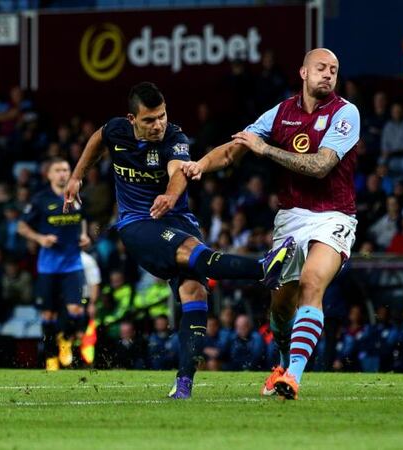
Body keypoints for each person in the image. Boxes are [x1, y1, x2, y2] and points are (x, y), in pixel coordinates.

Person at [63, 82, 295, 399]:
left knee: (194, 292)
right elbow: (97, 139)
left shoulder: (174, 137)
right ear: (132, 119)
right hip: (137, 224)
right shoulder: (116, 131)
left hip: (175, 218)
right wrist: (76, 176)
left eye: (161, 116)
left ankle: (184, 384)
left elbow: (178, 172)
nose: (158, 124)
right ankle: (263, 269)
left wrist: (171, 197)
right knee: (192, 252)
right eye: (149, 120)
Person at [181, 49, 361, 400]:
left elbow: (321, 166)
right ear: (303, 73)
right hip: (291, 218)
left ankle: (293, 375)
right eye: (321, 68)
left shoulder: (345, 113)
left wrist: (266, 151)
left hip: (334, 215)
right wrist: (201, 163)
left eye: (334, 70)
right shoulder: (281, 113)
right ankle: (281, 362)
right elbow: (237, 148)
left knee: (312, 283)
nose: (328, 75)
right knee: (280, 308)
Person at [17, 158, 90, 370]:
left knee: (76, 309)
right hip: (48, 266)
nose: (62, 174)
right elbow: (22, 226)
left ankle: (65, 340)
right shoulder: (40, 199)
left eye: (66, 170)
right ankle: (50, 356)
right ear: (49, 175)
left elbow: (83, 218)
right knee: (48, 314)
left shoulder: (76, 197)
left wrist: (85, 235)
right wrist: (40, 239)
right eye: (57, 170)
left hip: (73, 264)